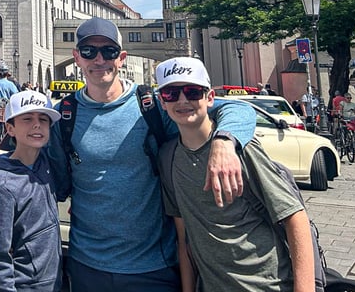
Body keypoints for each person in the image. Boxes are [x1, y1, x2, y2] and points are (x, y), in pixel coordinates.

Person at [47, 17, 256, 292]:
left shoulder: (153, 105)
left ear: (121, 58)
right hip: (87, 264)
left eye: (108, 51)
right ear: (77, 57)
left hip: (153, 265)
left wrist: (224, 143)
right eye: (89, 52)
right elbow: (50, 175)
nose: (99, 60)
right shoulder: (64, 115)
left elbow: (239, 110)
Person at [156, 57, 314, 292]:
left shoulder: (241, 148)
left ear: (210, 98)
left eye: (192, 92)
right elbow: (184, 238)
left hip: (267, 285)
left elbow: (294, 217)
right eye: (171, 93)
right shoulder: (168, 157)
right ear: (162, 100)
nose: (182, 100)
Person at [0, 90, 63, 292]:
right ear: (10, 128)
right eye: (27, 119)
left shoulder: (46, 162)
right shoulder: (2, 182)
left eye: (43, 119)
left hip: (53, 280)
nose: (37, 124)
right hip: (26, 284)